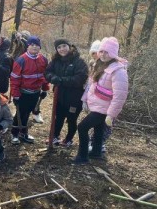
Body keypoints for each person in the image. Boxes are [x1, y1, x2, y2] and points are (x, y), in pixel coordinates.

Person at [72, 37, 129, 165]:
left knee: (82, 127)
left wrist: (111, 114)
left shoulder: (118, 70)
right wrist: (85, 99)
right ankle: (96, 152)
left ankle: (82, 157)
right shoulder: (99, 64)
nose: (103, 55)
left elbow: (120, 96)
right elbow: (91, 85)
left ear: (113, 53)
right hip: (97, 105)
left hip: (105, 109)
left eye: (106, 52)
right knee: (98, 129)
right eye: (101, 51)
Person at [44, 38, 89, 148]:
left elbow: (80, 78)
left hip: (74, 97)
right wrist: (52, 78)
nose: (62, 49)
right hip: (59, 96)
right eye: (59, 47)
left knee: (71, 118)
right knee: (58, 117)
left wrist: (62, 80)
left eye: (64, 46)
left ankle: (69, 139)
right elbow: (47, 72)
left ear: (69, 46)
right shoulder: (56, 61)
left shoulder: (79, 61)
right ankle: (55, 136)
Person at [10, 36, 49, 144]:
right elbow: (15, 78)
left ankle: (23, 133)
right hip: (23, 92)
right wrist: (15, 94)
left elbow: (44, 75)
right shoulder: (21, 60)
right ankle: (14, 133)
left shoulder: (43, 59)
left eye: (36, 45)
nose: (34, 47)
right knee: (20, 113)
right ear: (28, 46)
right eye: (32, 45)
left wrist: (45, 88)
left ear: (39, 47)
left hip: (35, 92)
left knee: (27, 113)